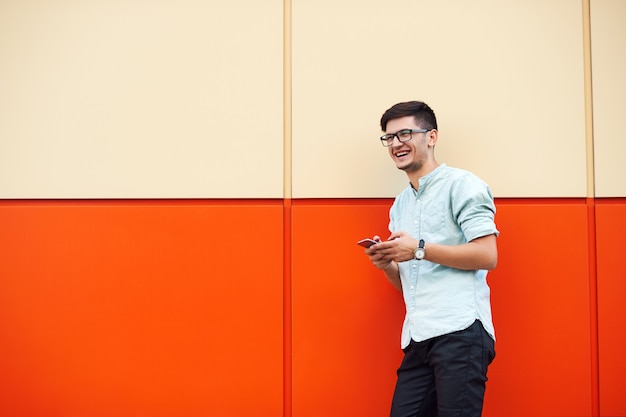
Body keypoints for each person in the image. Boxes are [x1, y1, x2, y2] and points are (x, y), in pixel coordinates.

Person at [364, 101, 499, 417]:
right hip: (418, 337)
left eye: (406, 133)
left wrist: (418, 249)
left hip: (461, 331)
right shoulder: (400, 205)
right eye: (390, 138)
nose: (397, 143)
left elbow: (487, 255)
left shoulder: (463, 185)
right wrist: (387, 263)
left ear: (432, 136)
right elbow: (407, 283)